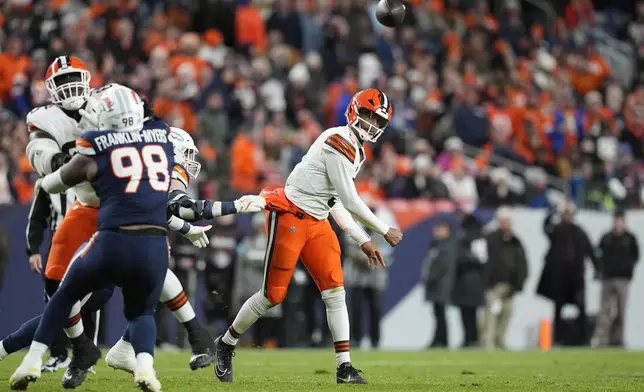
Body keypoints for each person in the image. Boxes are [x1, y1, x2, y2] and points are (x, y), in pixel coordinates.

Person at [214, 89, 403, 384]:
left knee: (335, 291)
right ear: (353, 111)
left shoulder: (356, 149)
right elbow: (351, 200)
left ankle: (344, 367)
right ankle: (226, 343)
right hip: (290, 214)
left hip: (317, 221)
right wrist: (383, 230)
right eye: (367, 114)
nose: (371, 123)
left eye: (377, 120)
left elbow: (335, 202)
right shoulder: (337, 140)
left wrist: (362, 240)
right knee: (272, 296)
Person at [10, 85, 172, 391]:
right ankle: (146, 369)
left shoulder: (98, 143)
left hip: (112, 238)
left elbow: (56, 183)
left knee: (65, 295)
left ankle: (30, 360)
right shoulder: (162, 137)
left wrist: (47, 181)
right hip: (154, 241)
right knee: (142, 313)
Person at [25, 182, 75, 372]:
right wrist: (33, 250)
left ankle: (84, 355)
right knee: (54, 301)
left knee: (91, 299)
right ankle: (58, 353)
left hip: (88, 239)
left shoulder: (93, 166)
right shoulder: (48, 179)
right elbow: (37, 217)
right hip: (59, 242)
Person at [537, 202, 598, 345]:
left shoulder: (579, 232)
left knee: (581, 308)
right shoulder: (557, 231)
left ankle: (583, 339)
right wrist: (550, 214)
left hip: (576, 278)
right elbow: (546, 228)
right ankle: (558, 338)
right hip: (560, 278)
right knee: (558, 310)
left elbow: (590, 251)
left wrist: (597, 269)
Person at [481, 208, 528, 349]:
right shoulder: (491, 238)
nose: (506, 224)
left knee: (506, 313)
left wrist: (520, 281)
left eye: (508, 221)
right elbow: (486, 260)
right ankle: (488, 340)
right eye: (503, 221)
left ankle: (500, 340)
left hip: (511, 285)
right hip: (495, 284)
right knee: (492, 312)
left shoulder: (515, 240)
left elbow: (522, 262)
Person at [593, 210, 639, 347]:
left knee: (621, 311)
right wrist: (601, 268)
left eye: (621, 220)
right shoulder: (607, 238)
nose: (618, 223)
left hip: (623, 279)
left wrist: (627, 268)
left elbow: (635, 255)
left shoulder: (630, 238)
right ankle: (603, 339)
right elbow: (598, 253)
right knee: (604, 311)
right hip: (607, 278)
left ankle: (617, 339)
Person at [422, 221, 457, 348]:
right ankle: (439, 340)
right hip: (436, 285)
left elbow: (442, 265)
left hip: (441, 285)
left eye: (440, 229)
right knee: (438, 314)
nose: (436, 232)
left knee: (441, 314)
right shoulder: (437, 245)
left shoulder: (447, 245)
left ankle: (441, 340)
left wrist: (431, 277)